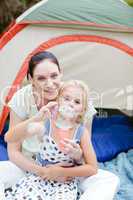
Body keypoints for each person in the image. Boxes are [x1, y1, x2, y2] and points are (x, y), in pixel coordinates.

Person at [0, 51, 119, 200]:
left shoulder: (79, 97)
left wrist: (65, 168)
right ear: (30, 79)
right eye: (41, 78)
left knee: (110, 180)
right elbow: (12, 149)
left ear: (61, 73)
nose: (50, 84)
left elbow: (87, 159)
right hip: (29, 165)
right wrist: (43, 172)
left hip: (68, 173)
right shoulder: (22, 98)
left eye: (54, 76)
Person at [4, 80, 98, 199]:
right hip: (39, 178)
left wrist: (75, 159)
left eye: (77, 102)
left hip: (65, 182)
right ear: (58, 101)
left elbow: (92, 168)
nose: (71, 104)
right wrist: (35, 122)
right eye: (66, 98)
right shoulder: (45, 123)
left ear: (83, 109)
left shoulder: (81, 132)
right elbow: (9, 137)